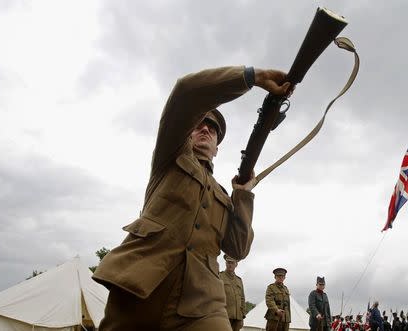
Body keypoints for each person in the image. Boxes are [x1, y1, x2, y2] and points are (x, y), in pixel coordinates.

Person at [92, 66, 294, 331]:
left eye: (212, 129)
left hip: (201, 302)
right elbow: (186, 93)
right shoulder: (171, 155)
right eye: (199, 124)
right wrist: (252, 77)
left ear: (217, 148)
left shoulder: (224, 195)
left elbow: (237, 249)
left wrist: (243, 196)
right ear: (187, 133)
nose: (205, 129)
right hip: (140, 287)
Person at [219, 254, 246, 331]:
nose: (230, 265)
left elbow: (242, 298)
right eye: (228, 262)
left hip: (238, 317)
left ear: (236, 264)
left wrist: (242, 315)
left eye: (232, 263)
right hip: (224, 316)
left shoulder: (239, 280)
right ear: (225, 263)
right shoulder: (219, 276)